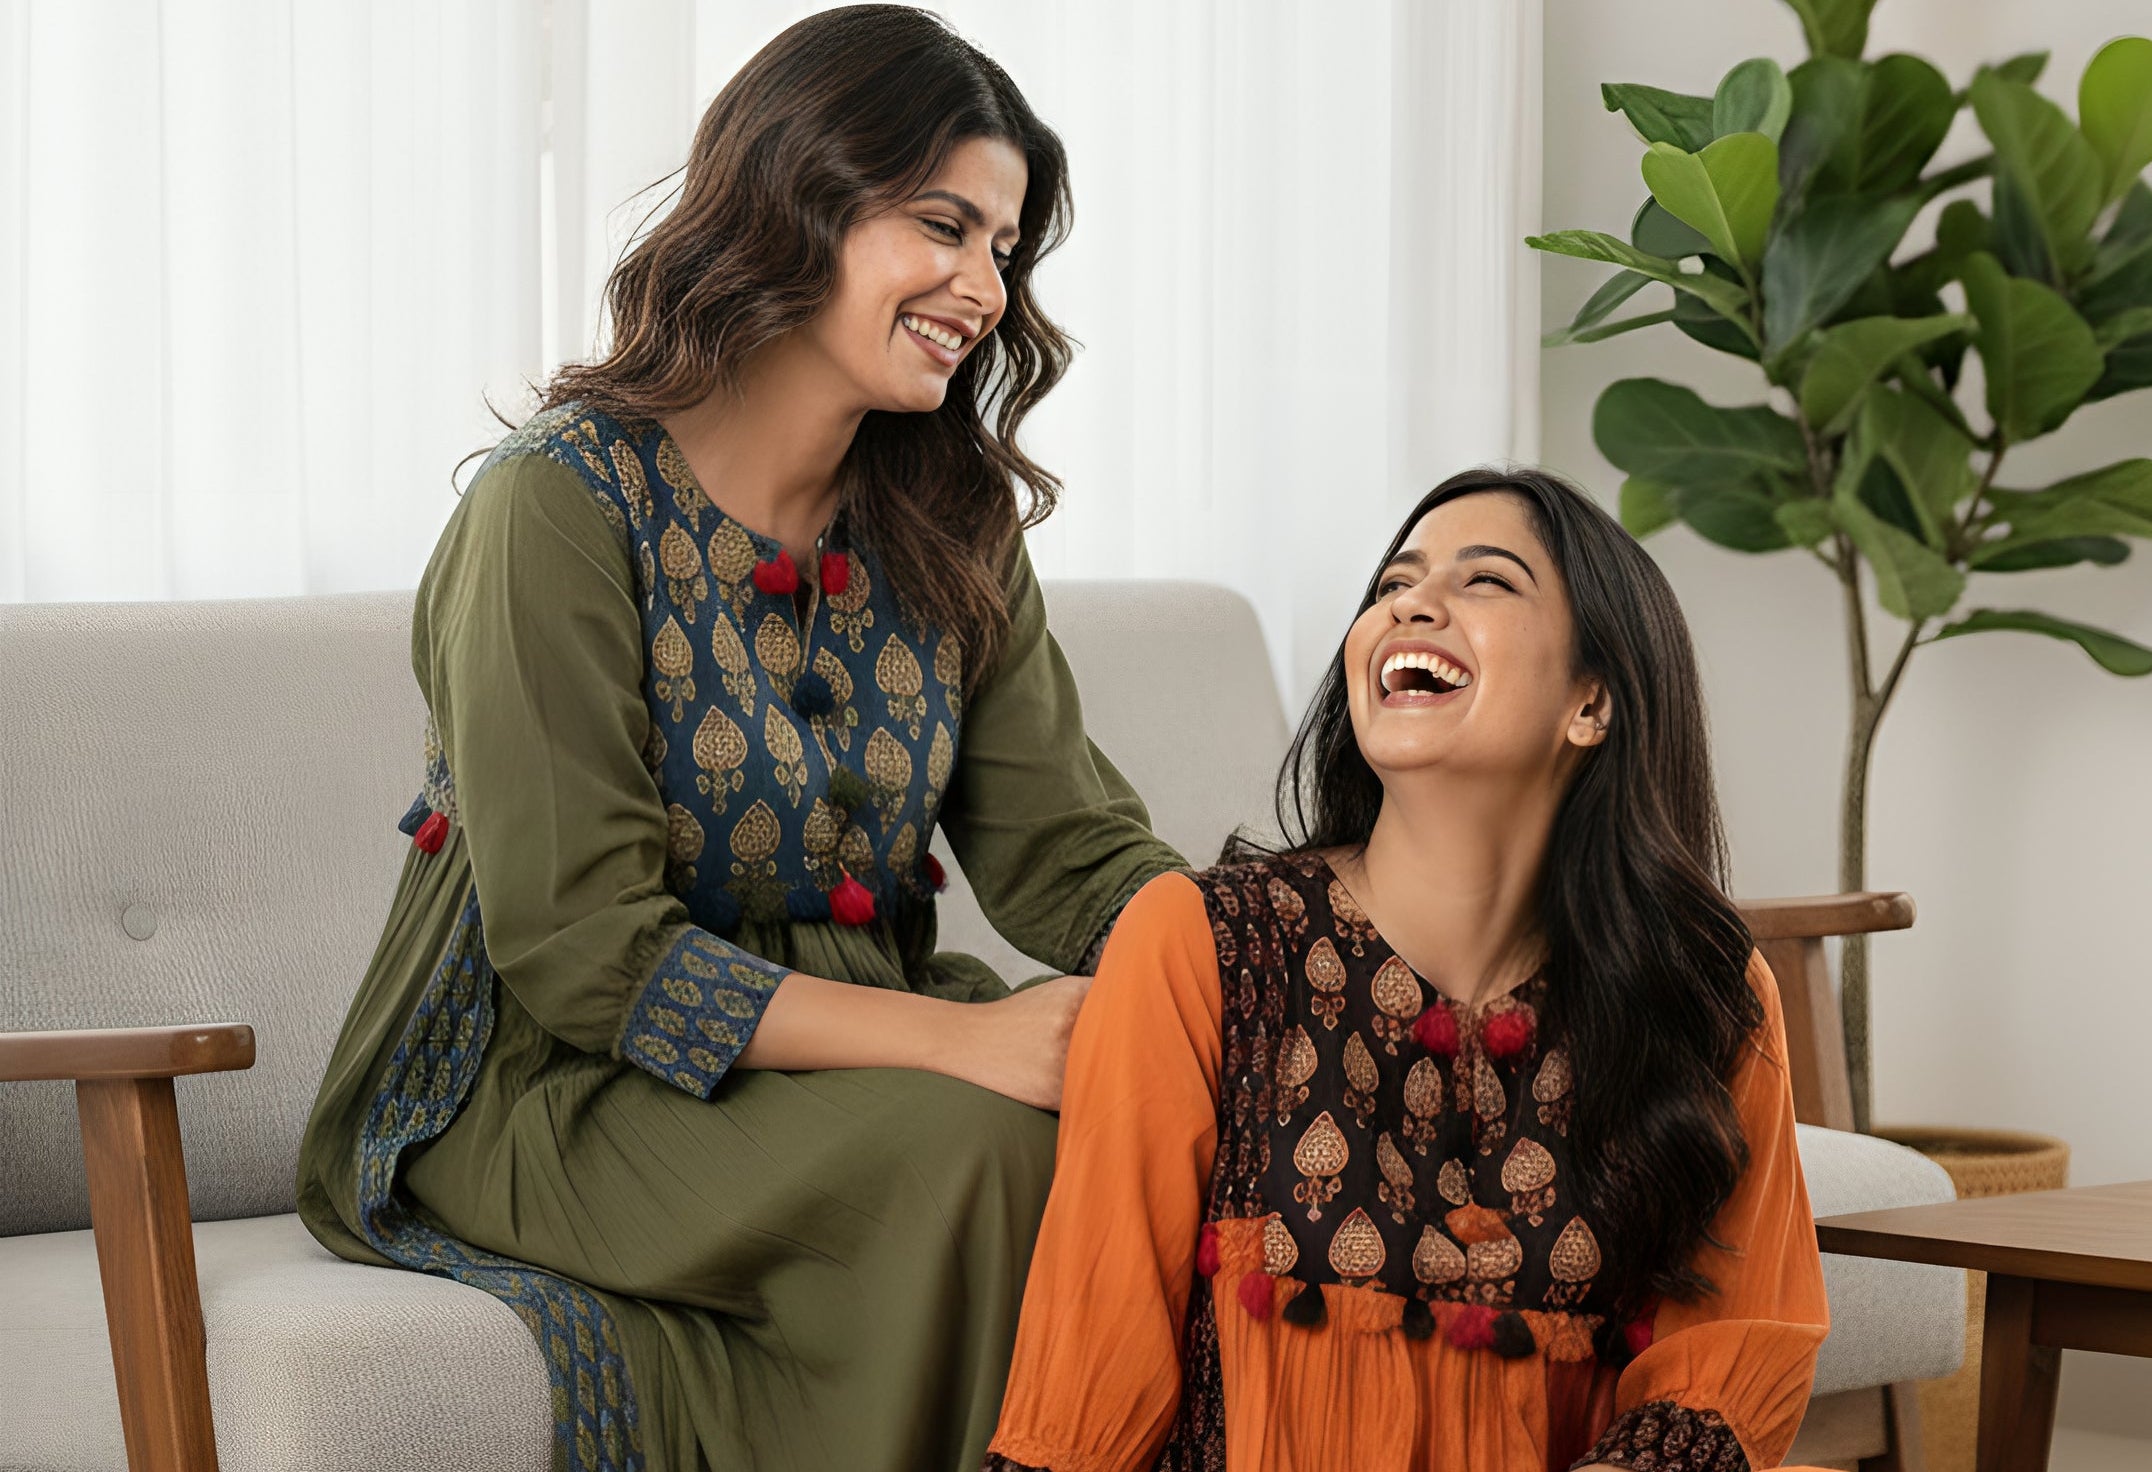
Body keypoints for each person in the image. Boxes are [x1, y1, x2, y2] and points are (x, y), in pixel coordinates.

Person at [294, 9, 1184, 1471]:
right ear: (799, 200)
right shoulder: (556, 512)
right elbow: (587, 951)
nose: (982, 287)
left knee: (1129, 1151)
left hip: (851, 1046)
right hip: (539, 1080)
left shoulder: (953, 522)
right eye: (944, 226)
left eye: (1007, 248)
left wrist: (1277, 962)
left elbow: (1066, 850)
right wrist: (966, 1041)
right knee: (982, 1151)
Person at [985, 469, 1829, 1472]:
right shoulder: (1201, 942)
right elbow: (1090, 1370)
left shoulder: (1700, 996)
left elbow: (1732, 1355)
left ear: (1592, 700)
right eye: (1394, 582)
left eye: (1487, 582)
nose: (1410, 604)